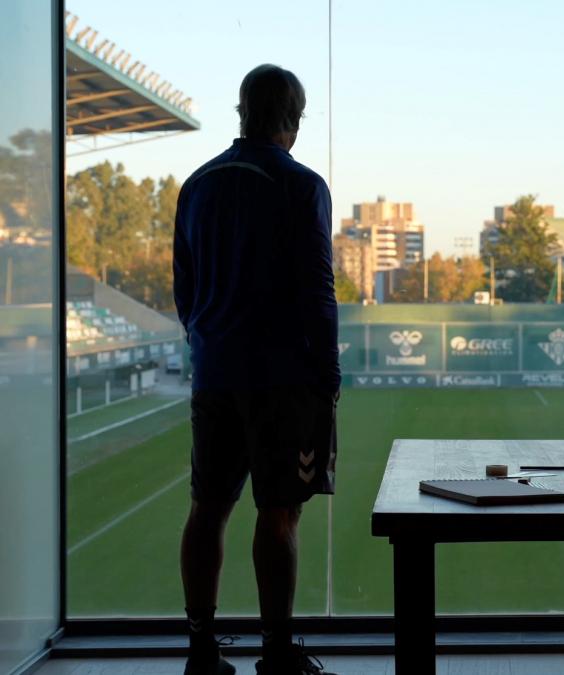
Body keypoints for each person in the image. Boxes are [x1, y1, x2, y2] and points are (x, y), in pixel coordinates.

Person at [174, 64, 340, 675]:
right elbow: (317, 291)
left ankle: (199, 649)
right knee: (279, 512)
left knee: (207, 507)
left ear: (242, 112)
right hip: (282, 379)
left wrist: (209, 343)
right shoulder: (302, 185)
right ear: (293, 118)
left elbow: (184, 290)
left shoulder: (196, 185)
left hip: (214, 373)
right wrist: (328, 374)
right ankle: (275, 655)